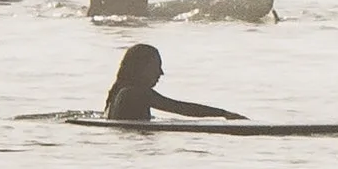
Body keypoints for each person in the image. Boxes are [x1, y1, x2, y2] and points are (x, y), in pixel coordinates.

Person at [102, 44, 245, 121]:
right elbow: (179, 108)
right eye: (156, 67)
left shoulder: (120, 92)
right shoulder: (134, 93)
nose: (161, 73)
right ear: (140, 68)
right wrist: (223, 114)